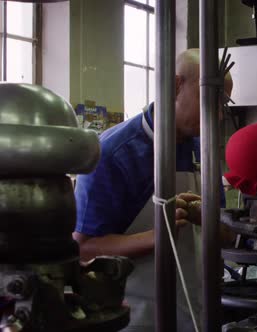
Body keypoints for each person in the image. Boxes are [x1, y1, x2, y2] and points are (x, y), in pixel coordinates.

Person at [73, 48, 233, 331]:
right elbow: (84, 249)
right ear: (174, 86)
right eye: (210, 100)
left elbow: (225, 231)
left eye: (224, 103)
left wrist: (205, 218)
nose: (219, 115)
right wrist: (158, 236)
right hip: (136, 319)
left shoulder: (202, 150)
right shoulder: (112, 154)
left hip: (197, 314)